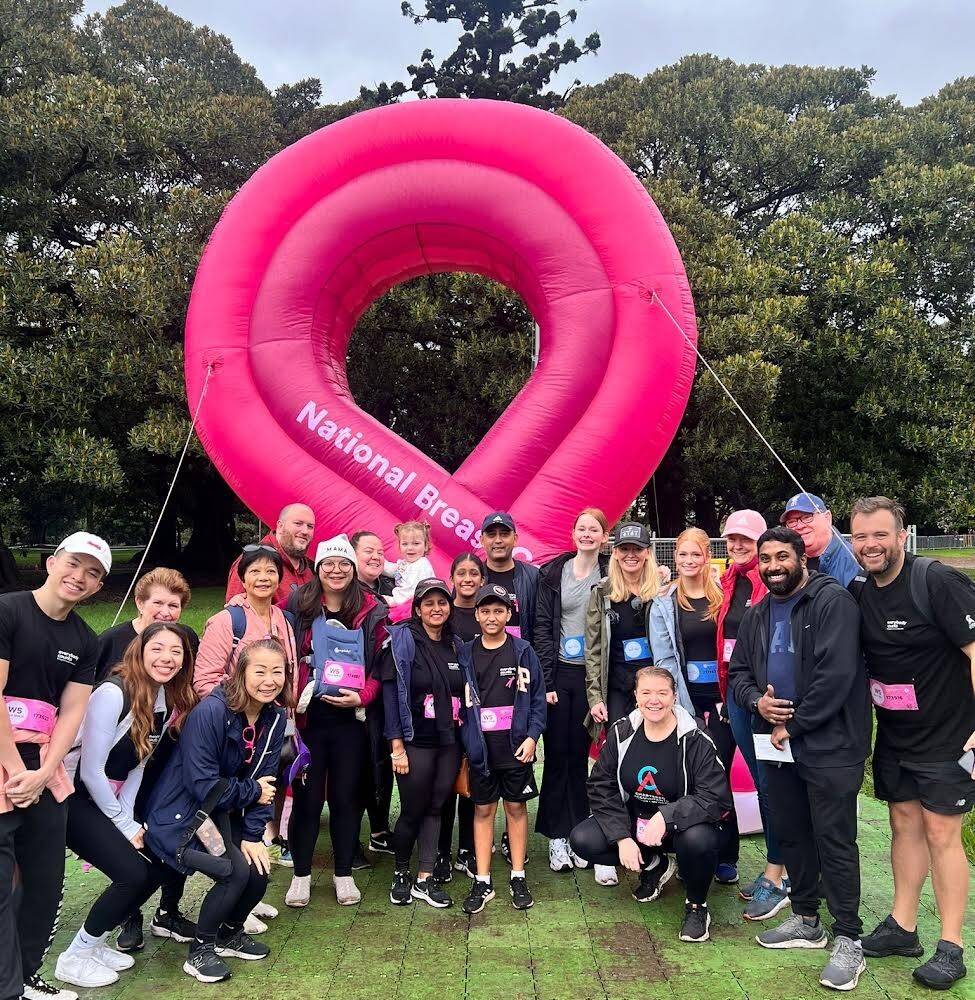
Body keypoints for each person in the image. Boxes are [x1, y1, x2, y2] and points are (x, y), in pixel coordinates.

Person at [728, 526, 870, 992]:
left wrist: (794, 722)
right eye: (766, 558)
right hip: (776, 742)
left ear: (801, 557)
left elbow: (837, 674)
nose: (773, 566)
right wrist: (757, 705)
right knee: (791, 831)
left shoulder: (832, 602)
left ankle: (849, 937)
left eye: (781, 557)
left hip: (828, 742)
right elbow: (742, 673)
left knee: (834, 838)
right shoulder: (758, 612)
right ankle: (807, 918)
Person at [850, 496, 975, 991]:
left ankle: (952, 946)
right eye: (860, 537)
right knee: (903, 823)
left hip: (947, 737)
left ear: (902, 536)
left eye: (880, 535)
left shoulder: (936, 581)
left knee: (942, 833)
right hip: (896, 736)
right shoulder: (862, 592)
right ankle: (903, 926)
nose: (870, 545)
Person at [55, 623, 199, 989]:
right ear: (140, 649)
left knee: (155, 867)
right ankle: (74, 957)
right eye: (158, 649)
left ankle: (96, 943)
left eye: (176, 652)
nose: (167, 658)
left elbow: (136, 767)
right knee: (132, 874)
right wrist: (123, 824)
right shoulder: (112, 693)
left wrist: (132, 820)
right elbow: (90, 771)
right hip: (67, 798)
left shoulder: (165, 701)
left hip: (104, 799)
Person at [0, 530, 109, 1000]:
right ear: (52, 562)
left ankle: (26, 977)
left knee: (45, 881)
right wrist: (14, 772)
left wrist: (43, 773)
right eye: (73, 564)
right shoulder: (7, 610)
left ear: (99, 587)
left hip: (45, 767)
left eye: (92, 573)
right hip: (5, 758)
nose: (79, 577)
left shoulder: (85, 639)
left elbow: (73, 710)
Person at [145, 639, 290, 984]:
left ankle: (228, 934)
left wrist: (254, 835)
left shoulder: (275, 716)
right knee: (232, 873)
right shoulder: (211, 712)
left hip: (221, 812)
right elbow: (203, 785)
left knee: (256, 873)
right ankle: (200, 950)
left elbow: (266, 780)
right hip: (180, 816)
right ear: (241, 673)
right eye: (260, 671)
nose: (269, 680)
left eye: (278, 671)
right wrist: (252, 792)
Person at [569, 667, 731, 943]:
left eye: (662, 693)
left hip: (682, 828)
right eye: (646, 692)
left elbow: (715, 797)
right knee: (583, 839)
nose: (653, 700)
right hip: (639, 825)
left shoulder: (695, 738)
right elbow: (600, 785)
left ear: (674, 696)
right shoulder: (622, 733)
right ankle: (654, 865)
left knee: (697, 840)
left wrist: (667, 816)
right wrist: (621, 837)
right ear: (635, 696)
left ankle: (696, 906)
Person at [584, 522, 690, 887]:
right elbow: (593, 648)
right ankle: (614, 841)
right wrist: (595, 696)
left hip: (654, 690)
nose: (631, 555)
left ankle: (659, 843)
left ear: (648, 552)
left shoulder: (661, 591)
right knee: (610, 762)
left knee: (657, 761)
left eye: (638, 549)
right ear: (614, 553)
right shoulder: (601, 592)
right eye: (624, 549)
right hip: (616, 687)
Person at [285, 535, 387, 907]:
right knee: (308, 801)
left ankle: (343, 873)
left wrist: (363, 696)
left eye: (344, 563)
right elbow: (281, 647)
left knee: (346, 798)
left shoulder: (372, 608)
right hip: (309, 718)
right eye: (328, 563)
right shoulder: (298, 605)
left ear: (353, 568)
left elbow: (381, 667)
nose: (336, 570)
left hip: (352, 721)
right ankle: (301, 875)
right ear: (318, 568)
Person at [649, 527, 740, 885]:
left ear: (707, 557)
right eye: (682, 555)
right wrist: (681, 707)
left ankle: (726, 854)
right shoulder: (665, 601)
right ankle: (691, 852)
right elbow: (664, 656)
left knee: (719, 779)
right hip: (684, 702)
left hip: (721, 701)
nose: (688, 561)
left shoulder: (723, 596)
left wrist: (725, 698)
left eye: (695, 555)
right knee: (686, 780)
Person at [716, 510, 790, 921]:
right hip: (740, 700)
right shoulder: (730, 580)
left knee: (774, 786)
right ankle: (778, 868)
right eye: (732, 540)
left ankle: (778, 873)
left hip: (769, 702)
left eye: (746, 540)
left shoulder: (772, 582)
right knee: (765, 784)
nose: (739, 546)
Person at [459, 584, 547, 914]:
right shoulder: (466, 653)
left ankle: (518, 875)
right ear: (477, 614)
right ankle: (482, 880)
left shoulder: (523, 651)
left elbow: (537, 700)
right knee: (483, 811)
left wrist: (532, 737)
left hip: (516, 749)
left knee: (515, 808)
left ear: (509, 614)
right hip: (482, 751)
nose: (492, 617)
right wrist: (469, 741)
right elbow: (461, 705)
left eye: (499, 610)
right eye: (485, 611)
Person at [534, 508, 609, 874]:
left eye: (594, 530)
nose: (587, 534)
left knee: (581, 758)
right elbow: (542, 630)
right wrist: (546, 682)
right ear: (573, 533)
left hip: (593, 676)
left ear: (603, 537)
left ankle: (580, 834)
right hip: (560, 674)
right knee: (557, 756)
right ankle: (555, 836)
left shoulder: (611, 571)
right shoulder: (552, 574)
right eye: (582, 528)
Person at [383, 578, 464, 908]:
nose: (436, 608)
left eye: (442, 602)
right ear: (417, 608)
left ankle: (424, 879)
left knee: (436, 807)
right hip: (414, 741)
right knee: (413, 809)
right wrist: (396, 746)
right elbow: (390, 697)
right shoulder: (402, 641)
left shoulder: (457, 645)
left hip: (448, 742)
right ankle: (401, 871)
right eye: (428, 603)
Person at [436, 553, 487, 881]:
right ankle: (440, 851)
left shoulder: (489, 612)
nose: (468, 578)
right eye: (461, 573)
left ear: (482, 579)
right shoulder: (444, 613)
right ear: (452, 577)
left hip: (482, 709)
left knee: (473, 781)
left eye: (474, 573)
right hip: (445, 709)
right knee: (444, 782)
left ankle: (468, 850)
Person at [194, 546, 298, 698]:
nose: (263, 577)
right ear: (242, 580)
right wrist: (248, 706)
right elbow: (205, 681)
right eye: (254, 571)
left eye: (270, 571)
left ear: (279, 579)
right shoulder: (225, 621)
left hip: (281, 718)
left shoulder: (287, 621)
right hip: (239, 715)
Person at [351, 530, 395, 858]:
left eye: (380, 551)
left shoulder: (390, 590)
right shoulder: (343, 593)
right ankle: (350, 837)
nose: (376, 556)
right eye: (368, 550)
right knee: (355, 765)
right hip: (352, 693)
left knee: (382, 759)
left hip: (384, 689)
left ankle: (380, 830)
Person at [95, 568, 198, 683]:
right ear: (140, 603)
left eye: (173, 605)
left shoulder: (187, 637)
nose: (165, 612)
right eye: (158, 603)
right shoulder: (111, 640)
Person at [224, 504, 315, 605]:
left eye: (310, 526)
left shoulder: (307, 571)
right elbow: (235, 616)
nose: (305, 531)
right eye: (298, 524)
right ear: (280, 526)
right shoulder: (251, 562)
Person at [480, 512, 539, 645]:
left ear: (515, 539)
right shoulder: (472, 578)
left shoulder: (533, 577)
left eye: (504, 534)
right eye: (491, 534)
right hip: (481, 660)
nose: (498, 540)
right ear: (482, 540)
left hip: (522, 659)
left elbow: (542, 627)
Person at [780, 493, 860, 587]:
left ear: (827, 518)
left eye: (807, 517)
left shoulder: (856, 560)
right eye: (792, 522)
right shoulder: (786, 564)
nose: (800, 526)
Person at [384, 521, 436, 608]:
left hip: (416, 604)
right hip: (405, 603)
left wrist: (393, 600)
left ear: (426, 546)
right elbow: (393, 570)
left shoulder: (421, 564)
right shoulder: (405, 564)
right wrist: (380, 563)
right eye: (405, 544)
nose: (410, 548)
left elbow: (412, 590)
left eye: (416, 543)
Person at [351, 530, 394, 600]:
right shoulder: (344, 592)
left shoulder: (397, 586)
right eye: (369, 551)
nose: (376, 557)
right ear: (353, 555)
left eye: (380, 553)